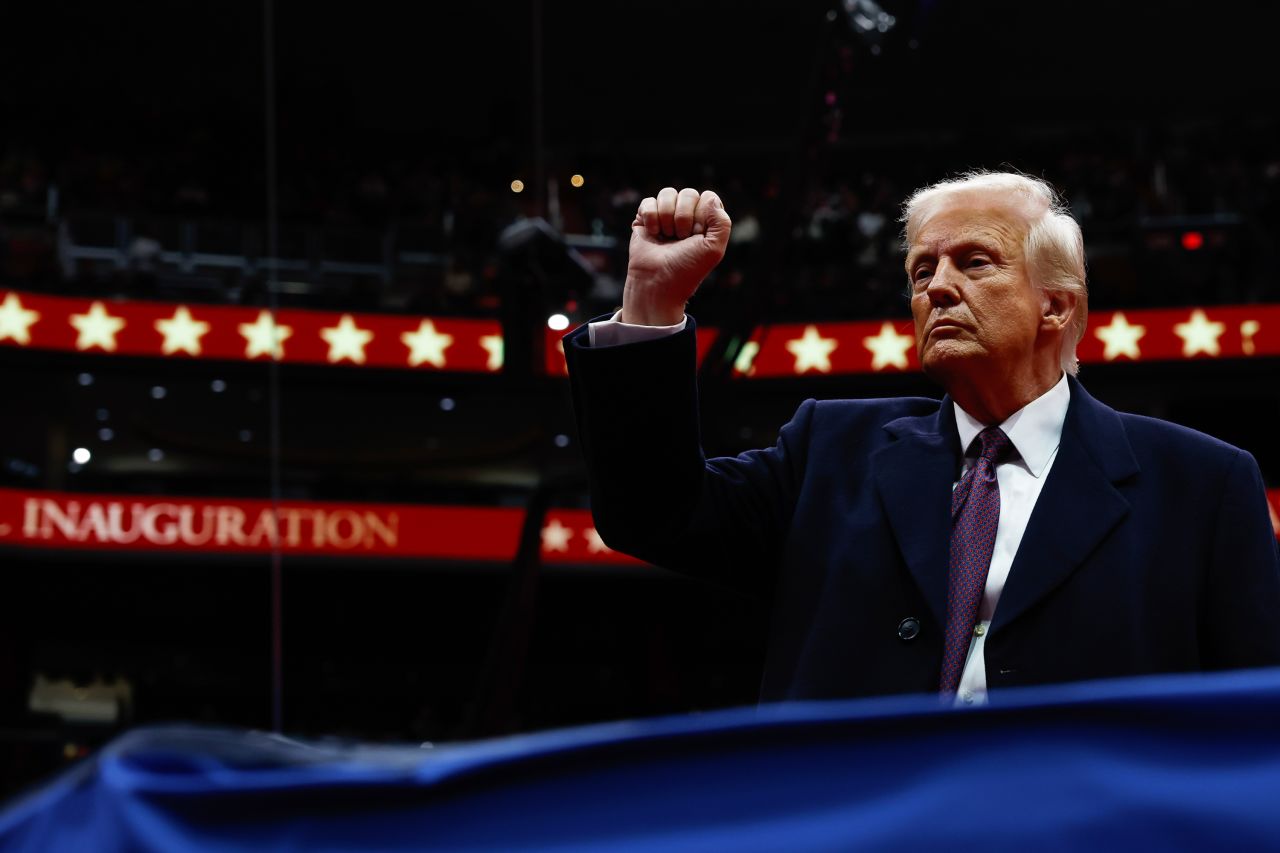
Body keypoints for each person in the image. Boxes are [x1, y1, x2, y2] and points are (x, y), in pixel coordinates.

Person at [562, 173, 1280, 705]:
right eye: (920, 270)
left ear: (1055, 304)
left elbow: (1252, 720)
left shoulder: (1203, 485)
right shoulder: (829, 449)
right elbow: (653, 513)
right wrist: (652, 305)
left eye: (974, 262)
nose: (936, 288)